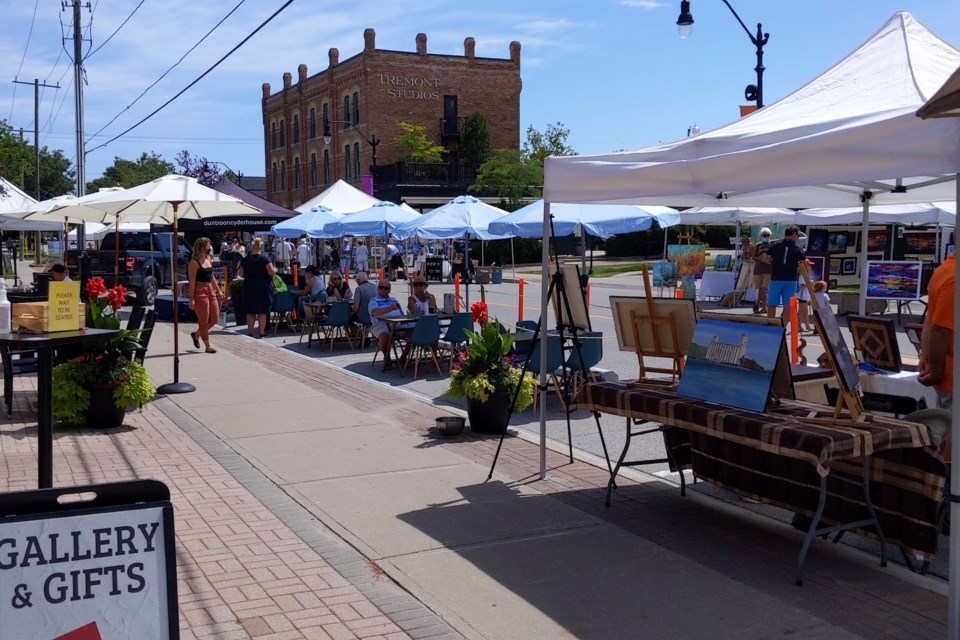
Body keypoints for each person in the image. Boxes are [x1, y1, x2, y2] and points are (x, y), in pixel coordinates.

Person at [919, 253, 954, 411]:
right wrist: (935, 371)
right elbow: (938, 329)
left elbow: (931, 320)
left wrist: (925, 357)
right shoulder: (954, 277)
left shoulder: (944, 270)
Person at [187, 237, 225, 354]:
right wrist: (191, 298)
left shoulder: (208, 259)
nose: (209, 248)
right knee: (203, 320)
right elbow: (192, 282)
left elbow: (212, 277)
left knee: (214, 318)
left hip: (209, 289)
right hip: (199, 290)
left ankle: (197, 334)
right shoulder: (194, 262)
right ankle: (208, 345)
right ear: (201, 247)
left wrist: (219, 290)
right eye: (207, 246)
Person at [762, 226, 806, 324]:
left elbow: (766, 260)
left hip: (776, 278)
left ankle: (771, 325)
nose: (798, 237)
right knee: (788, 306)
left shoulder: (774, 246)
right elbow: (804, 266)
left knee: (772, 304)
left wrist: (776, 262)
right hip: (791, 280)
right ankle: (783, 328)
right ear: (794, 234)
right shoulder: (798, 249)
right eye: (798, 235)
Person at [238, 237, 277, 338]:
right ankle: (261, 332)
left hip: (249, 286)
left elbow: (241, 274)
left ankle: (250, 332)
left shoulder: (245, 260)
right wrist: (275, 270)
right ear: (261, 247)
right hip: (263, 286)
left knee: (250, 311)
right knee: (262, 311)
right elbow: (271, 272)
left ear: (251, 247)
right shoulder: (266, 259)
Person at [369, 279, 405, 369]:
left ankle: (404, 357)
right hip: (380, 325)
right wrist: (390, 308)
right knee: (384, 336)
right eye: (381, 287)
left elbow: (401, 313)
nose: (383, 290)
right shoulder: (374, 300)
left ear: (389, 290)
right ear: (377, 289)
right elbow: (374, 312)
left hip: (397, 325)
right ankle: (387, 357)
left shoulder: (394, 299)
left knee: (413, 332)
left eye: (386, 288)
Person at [749, 228, 774, 314]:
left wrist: (769, 259)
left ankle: (756, 303)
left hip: (768, 270)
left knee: (764, 289)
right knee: (758, 289)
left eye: (767, 235)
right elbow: (753, 256)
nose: (766, 237)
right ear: (761, 236)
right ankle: (764, 307)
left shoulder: (772, 246)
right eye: (764, 235)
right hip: (758, 269)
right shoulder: (758, 245)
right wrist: (759, 258)